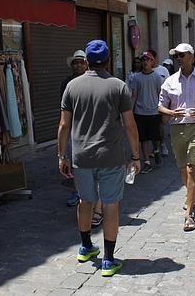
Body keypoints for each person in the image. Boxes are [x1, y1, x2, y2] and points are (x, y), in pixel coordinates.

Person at [57, 39, 141, 277]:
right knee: (111, 205)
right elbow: (130, 126)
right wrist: (135, 156)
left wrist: (61, 155)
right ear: (108, 60)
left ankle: (85, 247)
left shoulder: (72, 87)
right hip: (111, 157)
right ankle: (108, 259)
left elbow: (64, 124)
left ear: (85, 61)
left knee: (86, 201)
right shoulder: (118, 86)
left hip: (81, 156)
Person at [159, 43, 195, 232]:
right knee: (183, 169)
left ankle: (189, 214)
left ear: (191, 56)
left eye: (182, 55)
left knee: (193, 169)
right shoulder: (170, 81)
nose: (179, 59)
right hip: (177, 128)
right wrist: (171, 112)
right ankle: (191, 194)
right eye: (177, 56)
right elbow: (160, 106)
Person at [130, 51, 164, 174]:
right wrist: (130, 111)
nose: (145, 62)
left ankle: (156, 151)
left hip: (154, 112)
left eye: (147, 60)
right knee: (143, 139)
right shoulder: (136, 77)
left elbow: (160, 94)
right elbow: (134, 95)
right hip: (140, 112)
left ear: (152, 62)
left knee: (155, 137)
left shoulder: (157, 77)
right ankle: (147, 162)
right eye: (143, 60)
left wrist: (162, 110)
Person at [61, 50, 88, 208]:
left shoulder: (93, 81)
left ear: (86, 64)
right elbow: (63, 109)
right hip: (72, 128)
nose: (78, 65)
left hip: (90, 128)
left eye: (81, 62)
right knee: (74, 161)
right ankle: (77, 191)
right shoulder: (66, 83)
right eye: (75, 63)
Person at [147, 49, 170, 157]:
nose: (147, 61)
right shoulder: (144, 71)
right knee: (152, 127)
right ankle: (155, 147)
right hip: (149, 104)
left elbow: (170, 85)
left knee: (160, 126)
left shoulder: (163, 70)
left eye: (150, 58)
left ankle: (162, 144)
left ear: (154, 59)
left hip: (162, 103)